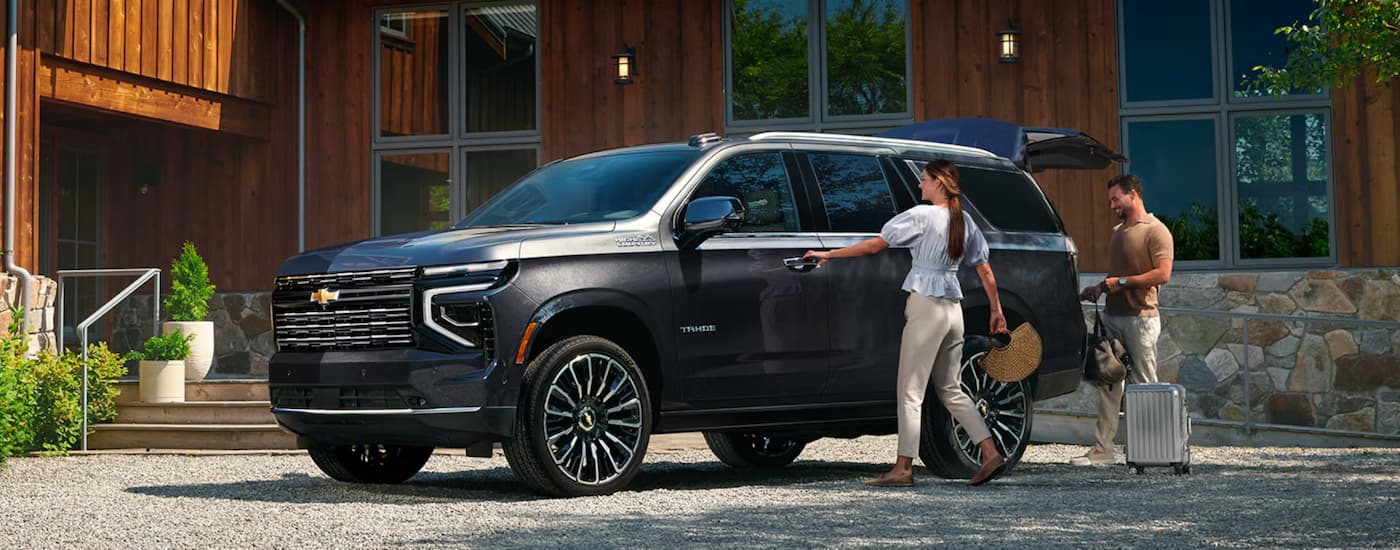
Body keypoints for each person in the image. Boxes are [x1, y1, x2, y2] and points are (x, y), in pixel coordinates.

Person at [804, 160, 1009, 487]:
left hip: (927, 306)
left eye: (924, 179)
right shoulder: (965, 221)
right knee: (950, 388)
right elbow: (984, 270)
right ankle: (989, 451)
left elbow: (875, 245)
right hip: (953, 310)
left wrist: (829, 255)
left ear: (939, 182)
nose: (919, 184)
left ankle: (902, 468)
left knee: (911, 391)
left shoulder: (922, 216)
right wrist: (996, 309)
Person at [1075, 174, 1174, 466]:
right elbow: (1117, 275)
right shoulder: (1117, 232)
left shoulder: (1156, 230)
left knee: (1143, 385)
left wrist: (1122, 282)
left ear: (1133, 194)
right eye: (1110, 200)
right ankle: (1102, 450)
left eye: (1115, 199)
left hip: (1141, 319)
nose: (1112, 205)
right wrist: (1099, 288)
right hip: (1112, 316)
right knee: (1107, 381)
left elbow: (1163, 274)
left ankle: (1153, 450)